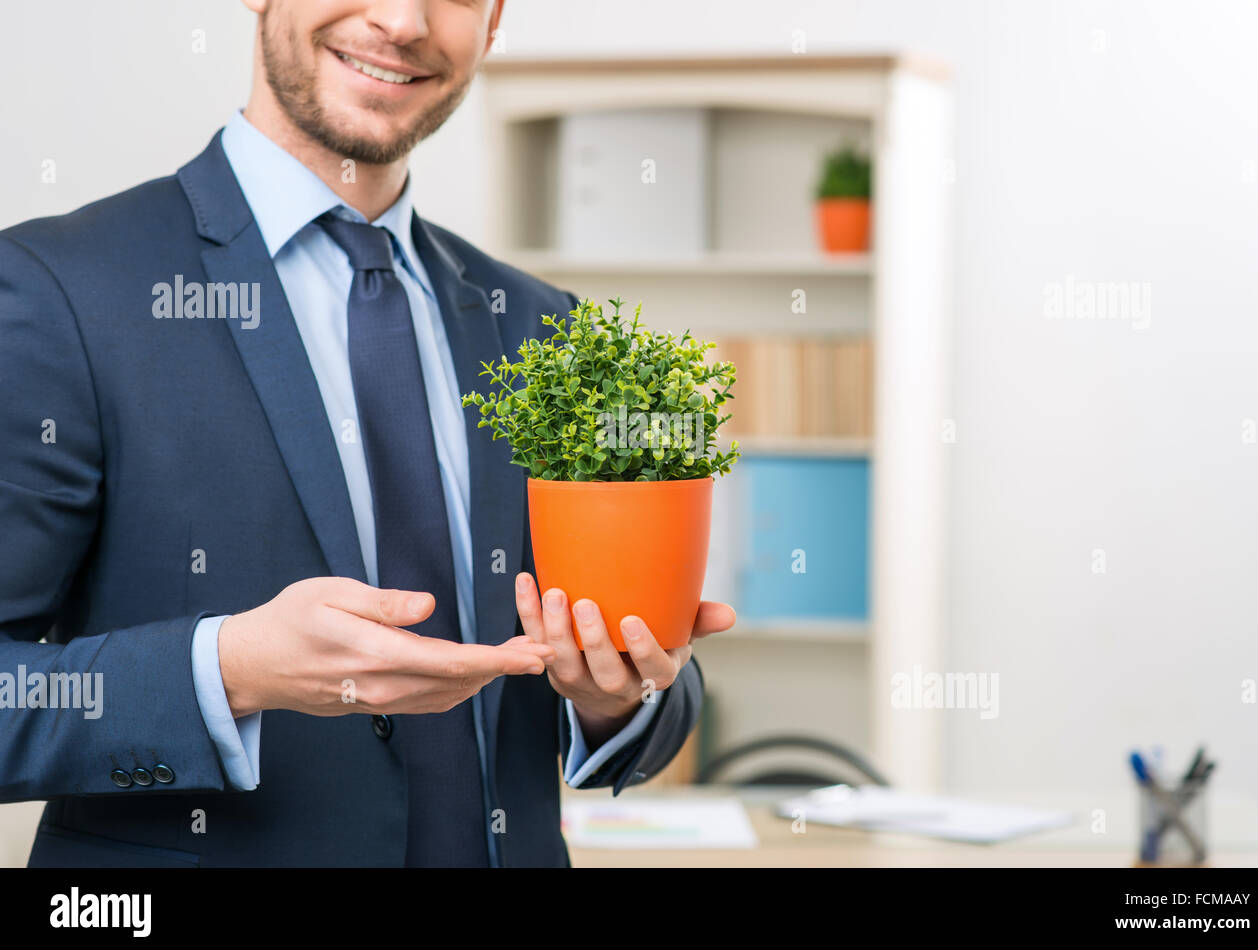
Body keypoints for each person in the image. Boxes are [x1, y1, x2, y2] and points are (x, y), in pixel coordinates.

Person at [0, 0, 732, 867]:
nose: (401, 19)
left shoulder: (544, 329)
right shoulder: (57, 291)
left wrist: (617, 696)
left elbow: (657, 679)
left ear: (494, 21)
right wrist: (228, 670)